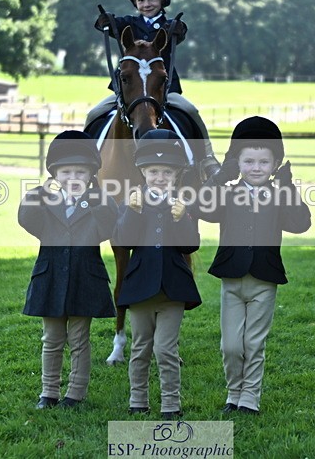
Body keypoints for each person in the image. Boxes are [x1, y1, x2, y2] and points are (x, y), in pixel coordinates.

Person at [191, 116, 312, 415]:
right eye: (248, 162)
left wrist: (289, 188)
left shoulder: (280, 195)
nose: (256, 168)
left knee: (253, 343)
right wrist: (220, 176)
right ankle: (234, 393)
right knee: (231, 346)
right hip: (232, 278)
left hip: (263, 279)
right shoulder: (227, 193)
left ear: (274, 164)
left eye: (263, 162)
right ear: (237, 163)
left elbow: (301, 224)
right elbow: (197, 207)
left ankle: (249, 399)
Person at [90, 0, 220, 181]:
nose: (146, 4)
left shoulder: (169, 26)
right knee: (94, 113)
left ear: (162, 0)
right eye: (141, 0)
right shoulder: (128, 24)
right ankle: (86, 161)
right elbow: (107, 25)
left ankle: (207, 158)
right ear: (135, 3)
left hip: (162, 88)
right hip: (128, 89)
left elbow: (182, 30)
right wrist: (104, 21)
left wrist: (178, 30)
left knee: (191, 110)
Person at [17, 130, 118, 410]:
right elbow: (26, 219)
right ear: (54, 175)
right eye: (66, 172)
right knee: (51, 339)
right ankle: (48, 392)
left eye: (80, 173)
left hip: (84, 279)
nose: (73, 178)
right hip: (50, 278)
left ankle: (75, 393)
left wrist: (97, 196)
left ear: (90, 176)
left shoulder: (97, 201)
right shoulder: (46, 201)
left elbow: (109, 224)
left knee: (79, 339)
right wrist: (39, 191)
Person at [112, 129, 201, 420]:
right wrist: (132, 212)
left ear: (176, 175)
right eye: (153, 171)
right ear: (143, 172)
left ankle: (170, 404)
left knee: (166, 349)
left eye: (166, 172)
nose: (159, 177)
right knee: (140, 348)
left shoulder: (182, 204)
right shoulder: (133, 201)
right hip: (140, 289)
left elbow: (191, 244)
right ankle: (137, 399)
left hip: (172, 290)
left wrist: (181, 219)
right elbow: (124, 240)